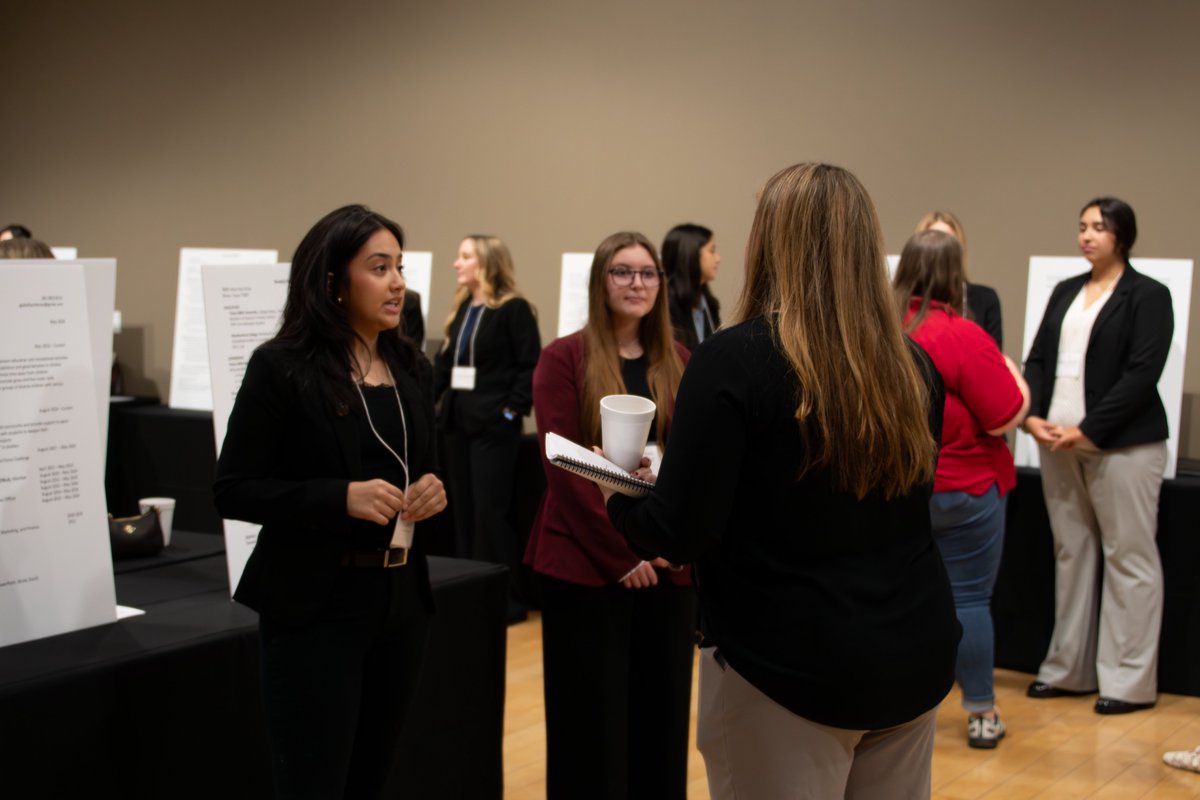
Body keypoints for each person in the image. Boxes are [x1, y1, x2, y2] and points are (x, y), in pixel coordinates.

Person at [601, 164, 959, 799]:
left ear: (769, 243)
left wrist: (618, 493)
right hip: (910, 652)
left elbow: (676, 533)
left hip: (784, 667)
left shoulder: (734, 360)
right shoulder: (913, 367)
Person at [213, 204, 447, 798]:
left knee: (373, 777)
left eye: (399, 266)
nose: (398, 281)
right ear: (332, 282)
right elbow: (233, 488)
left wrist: (433, 488)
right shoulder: (282, 367)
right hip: (315, 607)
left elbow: (426, 464)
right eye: (379, 267)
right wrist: (337, 497)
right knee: (314, 781)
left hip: (400, 602)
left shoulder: (411, 366)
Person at [525, 231, 693, 799]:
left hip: (666, 567)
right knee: (589, 727)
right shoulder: (563, 358)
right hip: (587, 566)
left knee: (661, 722)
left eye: (648, 273)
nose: (637, 283)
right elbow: (563, 466)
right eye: (622, 272)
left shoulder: (682, 362)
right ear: (601, 282)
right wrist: (622, 555)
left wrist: (667, 545)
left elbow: (693, 464)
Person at [1022, 197, 1173, 715]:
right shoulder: (1066, 290)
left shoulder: (1149, 295)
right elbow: (1038, 358)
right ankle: (1068, 670)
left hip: (1123, 445)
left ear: (1121, 236)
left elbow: (1142, 374)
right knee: (1072, 551)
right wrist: (1032, 416)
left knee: (1129, 558)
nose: (1087, 235)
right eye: (1082, 226)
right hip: (1056, 441)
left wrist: (1087, 430)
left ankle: (1128, 682)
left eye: (1098, 228)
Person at [894, 229, 1030, 749]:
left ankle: (902, 704)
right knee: (970, 599)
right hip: (968, 489)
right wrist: (1019, 382)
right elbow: (1001, 415)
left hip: (902, 489)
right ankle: (980, 713)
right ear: (957, 274)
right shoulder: (965, 336)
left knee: (901, 597)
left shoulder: (879, 332)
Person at [434, 235, 540, 619]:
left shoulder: (515, 309)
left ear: (486, 263)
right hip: (458, 424)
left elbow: (529, 366)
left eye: (464, 257)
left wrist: (511, 414)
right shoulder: (463, 308)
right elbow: (445, 368)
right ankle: (467, 591)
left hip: (494, 427)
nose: (456, 264)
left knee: (489, 515)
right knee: (462, 512)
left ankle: (503, 601)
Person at [916, 210, 1003, 348]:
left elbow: (993, 357)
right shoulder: (905, 301)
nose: (941, 250)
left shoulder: (985, 298)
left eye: (948, 242)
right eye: (933, 241)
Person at [661, 222, 721, 350]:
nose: (718, 258)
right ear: (691, 254)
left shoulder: (709, 303)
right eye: (712, 251)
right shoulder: (664, 306)